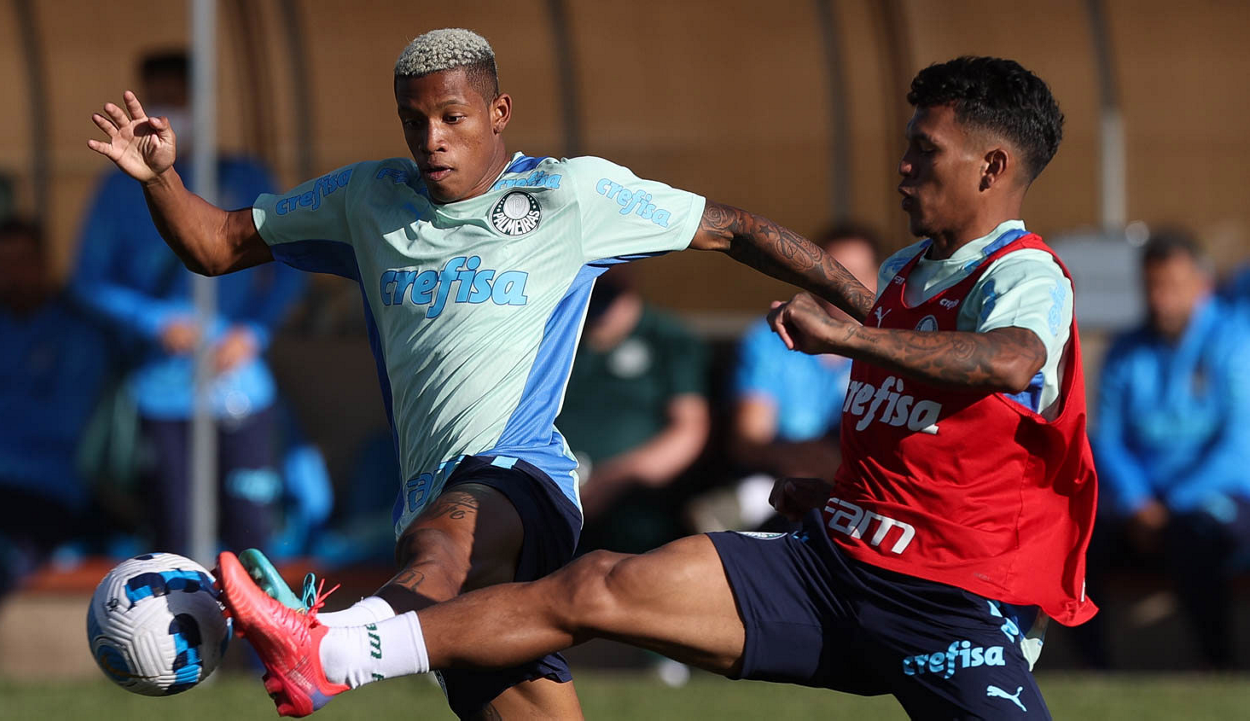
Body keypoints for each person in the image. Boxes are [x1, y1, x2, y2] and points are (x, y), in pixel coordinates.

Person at [218, 55, 1097, 720]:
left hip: (952, 602)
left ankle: (331, 642)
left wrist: (853, 335)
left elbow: (1010, 359)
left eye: (924, 151)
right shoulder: (905, 272)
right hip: (834, 565)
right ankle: (330, 650)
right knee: (594, 585)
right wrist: (841, 497)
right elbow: (935, 437)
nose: (903, 166)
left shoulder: (1025, 273)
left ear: (991, 168)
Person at [86, 28, 871, 720]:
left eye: (452, 117)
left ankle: (327, 643)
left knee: (443, 543)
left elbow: (735, 228)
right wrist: (160, 179)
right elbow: (217, 245)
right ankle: (347, 639)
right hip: (427, 496)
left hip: (521, 475)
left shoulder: (569, 194)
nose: (432, 139)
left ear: (499, 112)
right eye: (414, 120)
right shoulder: (366, 198)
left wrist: (874, 311)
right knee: (484, 641)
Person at [74, 51, 305, 555]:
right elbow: (88, 279)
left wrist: (252, 332)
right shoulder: (117, 186)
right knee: (173, 537)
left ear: (203, 102)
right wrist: (155, 321)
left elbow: (294, 262)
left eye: (177, 99)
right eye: (157, 99)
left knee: (252, 537)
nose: (167, 110)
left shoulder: (244, 176)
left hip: (237, 389)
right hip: (162, 390)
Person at [1084, 230, 1250, 669]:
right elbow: (1109, 439)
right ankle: (1095, 673)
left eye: (1172, 286)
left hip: (1220, 499)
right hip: (1143, 505)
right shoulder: (1126, 349)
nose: (1161, 300)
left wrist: (1171, 505)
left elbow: (1238, 447)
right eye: (1152, 286)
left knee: (1196, 538)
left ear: (1203, 285)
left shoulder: (1236, 342)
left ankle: (1219, 668)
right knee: (1076, 537)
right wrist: (1137, 501)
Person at [0, 218, 109, 633]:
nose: (11, 274)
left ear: (44, 264)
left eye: (21, 262)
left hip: (40, 492)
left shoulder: (77, 337)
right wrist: (21, 404)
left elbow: (64, 424)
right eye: (0, 264)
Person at [722, 225, 879, 530]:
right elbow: (748, 439)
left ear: (878, 279)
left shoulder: (893, 346)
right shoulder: (771, 338)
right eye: (832, 276)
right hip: (777, 482)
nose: (842, 288)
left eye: (856, 276)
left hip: (861, 491)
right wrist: (796, 457)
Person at [558, 266, 710, 554]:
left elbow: (689, 429)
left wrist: (613, 480)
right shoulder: (555, 333)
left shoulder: (668, 339)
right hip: (551, 496)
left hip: (632, 509)